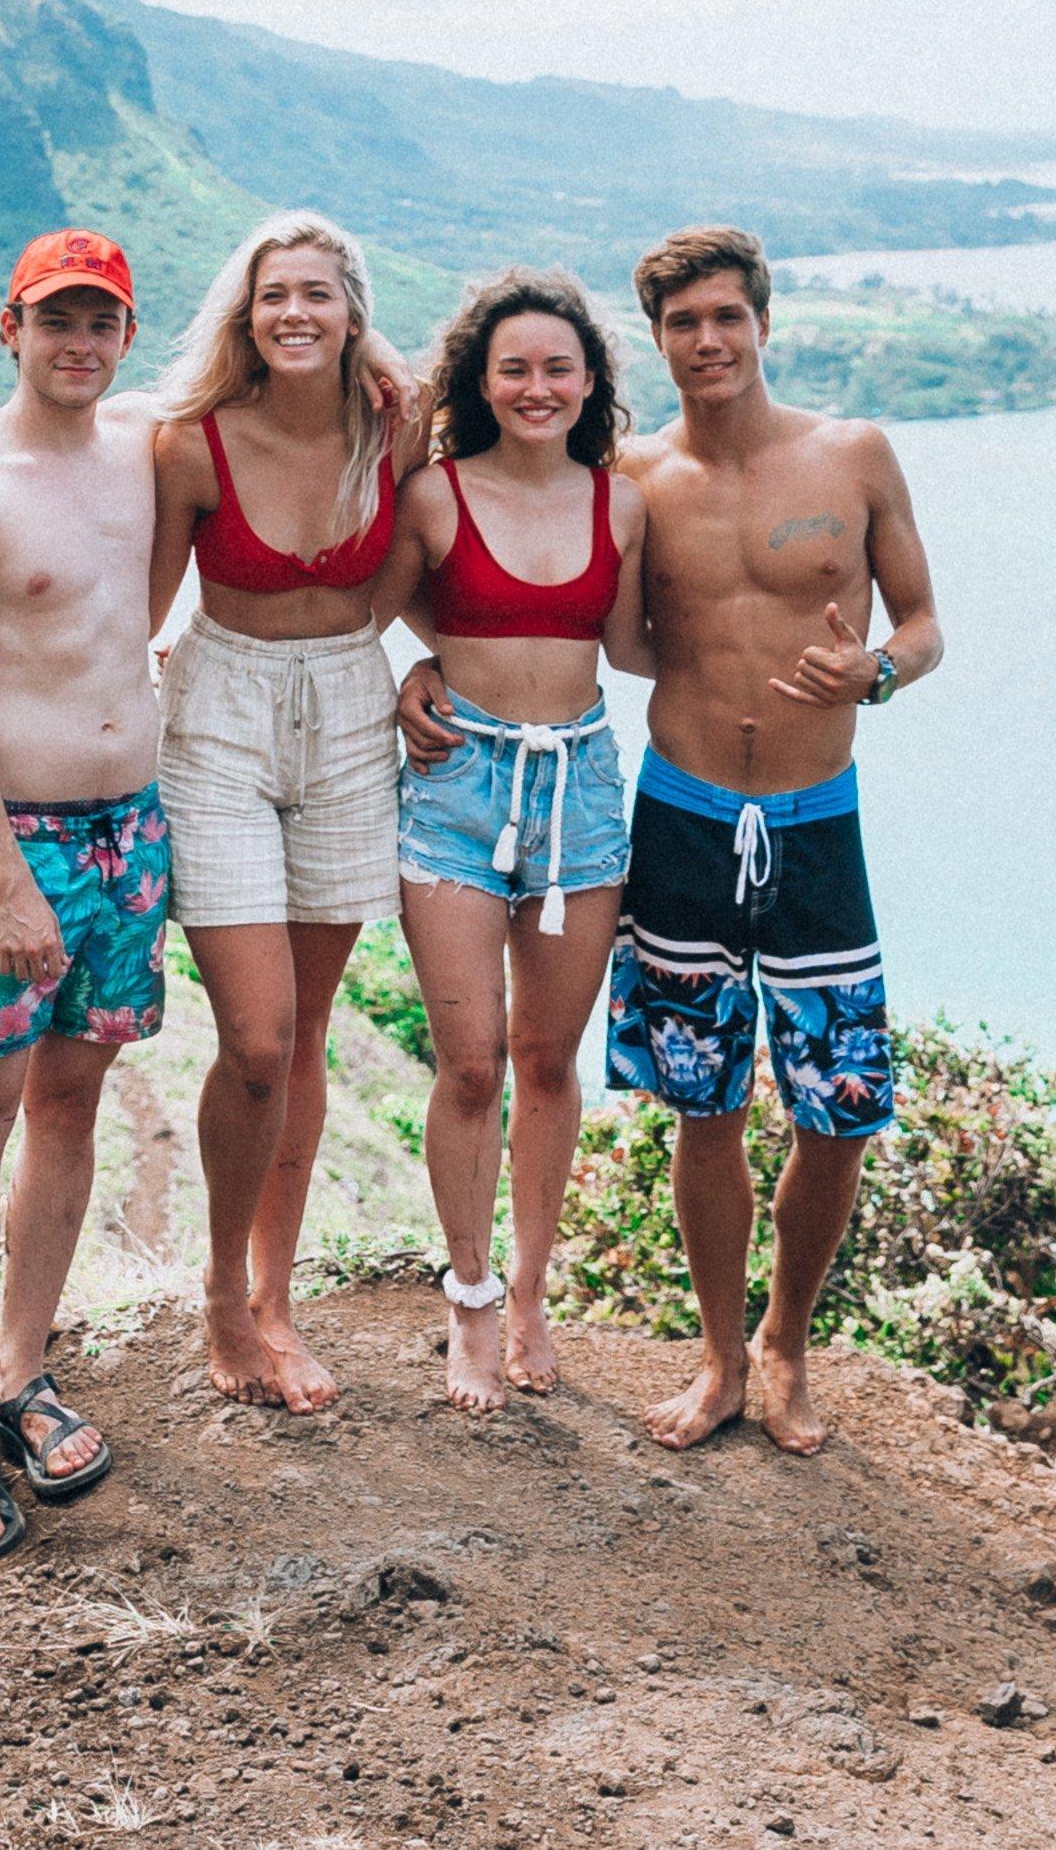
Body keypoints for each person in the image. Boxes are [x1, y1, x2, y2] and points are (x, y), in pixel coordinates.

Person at [400, 222, 943, 1457]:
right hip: (684, 810)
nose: (708, 340)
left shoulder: (852, 455)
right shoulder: (636, 482)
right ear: (653, 343)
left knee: (837, 1108)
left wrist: (878, 672)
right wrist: (427, 665)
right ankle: (716, 1358)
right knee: (701, 1103)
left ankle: (786, 1346)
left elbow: (923, 622)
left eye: (726, 318)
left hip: (817, 822)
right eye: (682, 324)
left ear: (761, 323)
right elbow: (536, 599)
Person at [0, 226, 171, 1558]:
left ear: (126, 335)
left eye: (101, 319)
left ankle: (22, 1374)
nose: (78, 340)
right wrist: (6, 873)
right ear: (7, 324)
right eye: (54, 317)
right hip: (19, 840)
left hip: (133, 832)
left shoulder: (142, 454)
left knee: (72, 1103)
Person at [146, 212, 420, 1412]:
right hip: (219, 717)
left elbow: (459, 547)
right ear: (245, 316)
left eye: (316, 293)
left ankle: (276, 1300)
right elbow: (140, 601)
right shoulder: (193, 446)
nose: (294, 313)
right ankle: (218, 1290)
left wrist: (433, 667)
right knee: (254, 1037)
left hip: (353, 715)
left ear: (352, 310)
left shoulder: (395, 433)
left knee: (305, 1033)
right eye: (273, 296)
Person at [375, 269, 650, 1414]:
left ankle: (533, 1290)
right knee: (473, 1063)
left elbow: (632, 648)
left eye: (557, 368)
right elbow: (377, 608)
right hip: (456, 786)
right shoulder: (437, 495)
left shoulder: (619, 503)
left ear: (588, 382)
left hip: (579, 784)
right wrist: (419, 673)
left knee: (548, 1059)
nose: (536, 387)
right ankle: (472, 1298)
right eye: (514, 369)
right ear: (480, 383)